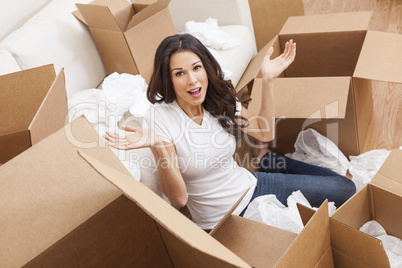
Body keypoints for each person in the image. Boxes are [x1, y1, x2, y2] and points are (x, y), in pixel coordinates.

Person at [104, 33, 356, 230]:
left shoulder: (217, 99)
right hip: (226, 220)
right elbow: (179, 199)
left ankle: (267, 160)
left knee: (345, 188)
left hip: (253, 184)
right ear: (168, 79)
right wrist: (157, 145)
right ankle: (266, 160)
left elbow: (264, 133)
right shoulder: (161, 118)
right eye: (179, 73)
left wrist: (267, 82)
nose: (192, 80)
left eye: (196, 68)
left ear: (206, 68)